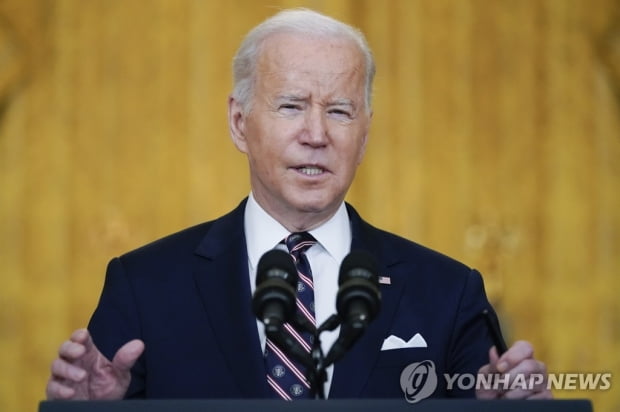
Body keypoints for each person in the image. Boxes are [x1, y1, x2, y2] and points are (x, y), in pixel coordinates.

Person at [46, 8, 551, 401]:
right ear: (239, 123)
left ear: (364, 135)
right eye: (291, 106)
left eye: (339, 111)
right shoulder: (145, 285)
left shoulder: (447, 292)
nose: (316, 135)